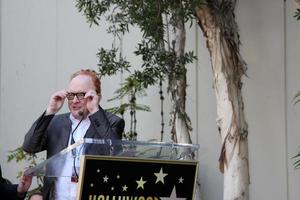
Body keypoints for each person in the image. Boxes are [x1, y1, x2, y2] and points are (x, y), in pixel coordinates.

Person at [22, 69, 125, 200]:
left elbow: (114, 153)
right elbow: (30, 147)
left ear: (97, 96)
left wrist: (95, 111)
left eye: (81, 95)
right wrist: (50, 110)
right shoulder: (56, 122)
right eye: (71, 95)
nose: (74, 100)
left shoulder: (112, 122)